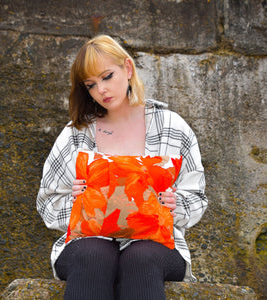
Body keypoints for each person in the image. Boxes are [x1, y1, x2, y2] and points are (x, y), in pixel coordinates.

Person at [37, 35, 208, 300]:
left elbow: (197, 198)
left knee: (140, 255)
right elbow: (47, 202)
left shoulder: (172, 126)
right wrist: (78, 202)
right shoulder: (76, 134)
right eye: (91, 85)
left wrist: (175, 204)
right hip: (87, 245)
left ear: (127, 69)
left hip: (156, 244)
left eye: (107, 76)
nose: (101, 90)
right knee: (95, 253)